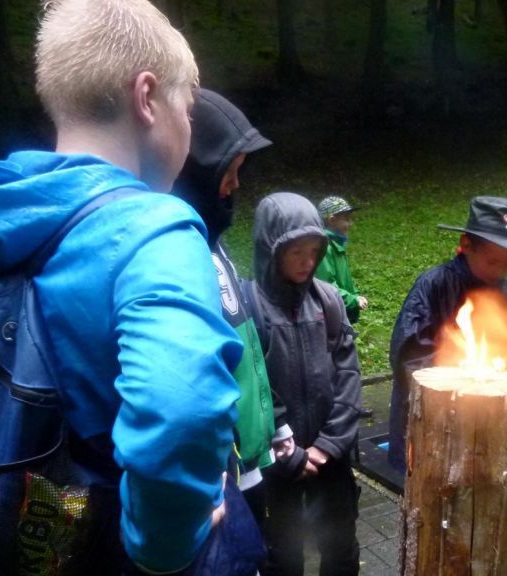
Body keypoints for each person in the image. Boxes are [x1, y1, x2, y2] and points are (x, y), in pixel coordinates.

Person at [0, 1, 257, 574]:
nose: (189, 127)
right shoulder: (153, 231)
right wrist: (164, 549)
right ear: (147, 98)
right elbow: (182, 411)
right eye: (187, 107)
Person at [170, 88, 280, 531]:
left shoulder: (212, 244)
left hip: (249, 456)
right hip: (218, 474)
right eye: (228, 171)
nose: (236, 185)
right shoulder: (178, 254)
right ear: (197, 170)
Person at [388, 196, 507, 472]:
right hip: (436, 427)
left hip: (493, 425)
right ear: (466, 245)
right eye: (492, 261)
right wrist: (466, 387)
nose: (500, 271)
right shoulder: (435, 285)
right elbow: (411, 357)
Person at [250, 192, 363, 576]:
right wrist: (289, 453)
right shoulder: (250, 307)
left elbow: (348, 374)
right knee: (283, 558)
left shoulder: (327, 300)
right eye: (296, 251)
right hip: (278, 466)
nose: (307, 261)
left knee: (341, 551)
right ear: (270, 248)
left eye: (314, 250)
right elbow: (253, 388)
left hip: (332, 459)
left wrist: (329, 445)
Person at [316, 195, 369, 324]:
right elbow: (326, 286)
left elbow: (343, 279)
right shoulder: (324, 247)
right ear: (332, 220)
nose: (350, 224)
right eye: (346, 219)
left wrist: (355, 295)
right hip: (330, 317)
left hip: (340, 312)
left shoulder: (336, 244)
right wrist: (352, 300)